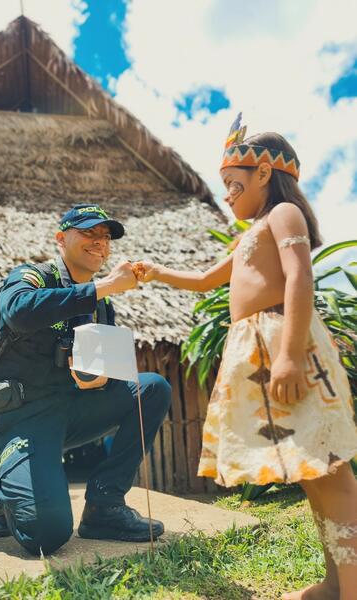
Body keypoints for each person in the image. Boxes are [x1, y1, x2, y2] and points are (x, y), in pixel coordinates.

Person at [134, 115, 357, 600]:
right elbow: (205, 280)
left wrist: (290, 356)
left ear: (264, 174)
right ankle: (337, 583)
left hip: (285, 341)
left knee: (329, 467)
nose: (228, 195)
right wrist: (154, 272)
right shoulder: (250, 233)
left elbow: (300, 279)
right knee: (310, 472)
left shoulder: (283, 215)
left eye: (234, 184)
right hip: (257, 347)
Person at [0, 203, 171, 556]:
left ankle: (105, 507)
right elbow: (18, 313)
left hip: (74, 409)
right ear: (61, 239)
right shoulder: (31, 276)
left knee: (152, 387)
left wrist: (102, 380)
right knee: (46, 536)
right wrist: (104, 286)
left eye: (106, 237)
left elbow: (101, 362)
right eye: (89, 233)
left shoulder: (102, 303)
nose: (100, 242)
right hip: (23, 415)